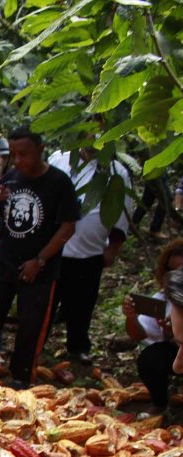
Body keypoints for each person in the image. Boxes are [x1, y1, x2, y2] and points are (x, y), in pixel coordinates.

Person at [0, 125, 81, 387]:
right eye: (14, 154)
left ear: (40, 150)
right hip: (5, 261)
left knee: (31, 325)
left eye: (24, 154)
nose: (18, 160)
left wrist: (40, 260)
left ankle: (21, 377)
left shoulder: (58, 183)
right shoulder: (12, 177)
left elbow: (68, 226)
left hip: (39, 268)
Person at [49, 146, 131, 364]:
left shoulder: (115, 171)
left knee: (82, 304)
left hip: (90, 251)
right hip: (54, 249)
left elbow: (121, 214)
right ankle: (35, 344)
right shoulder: (59, 159)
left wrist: (113, 249)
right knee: (46, 301)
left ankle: (77, 347)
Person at [124, 240, 183, 413]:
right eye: (171, 272)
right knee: (150, 358)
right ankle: (159, 403)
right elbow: (138, 335)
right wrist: (131, 317)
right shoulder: (163, 300)